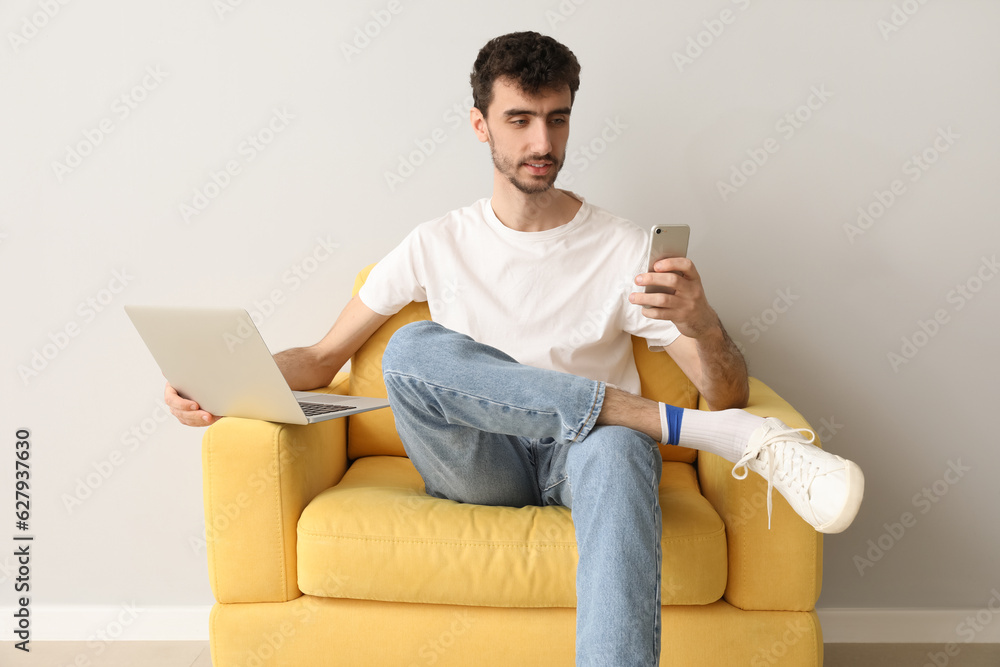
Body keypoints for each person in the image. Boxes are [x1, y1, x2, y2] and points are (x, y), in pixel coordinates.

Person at [166, 31, 863, 667]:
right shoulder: (435, 242)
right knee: (410, 348)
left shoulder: (623, 246)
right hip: (478, 457)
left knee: (619, 447)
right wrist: (219, 380)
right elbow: (321, 361)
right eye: (520, 120)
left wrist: (704, 323)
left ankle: (663, 435)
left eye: (557, 119)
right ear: (481, 125)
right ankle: (704, 435)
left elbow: (730, 393)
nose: (542, 142)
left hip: (589, 453)